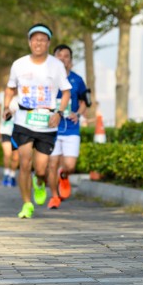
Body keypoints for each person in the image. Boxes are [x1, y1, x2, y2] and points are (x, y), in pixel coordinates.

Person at [4, 23, 71, 219]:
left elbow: (66, 92)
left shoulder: (56, 65)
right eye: (35, 39)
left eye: (42, 39)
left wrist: (59, 112)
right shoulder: (19, 64)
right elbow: (10, 88)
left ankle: (39, 182)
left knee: (41, 169)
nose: (38, 43)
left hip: (46, 123)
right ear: (29, 42)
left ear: (48, 43)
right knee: (24, 163)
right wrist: (7, 106)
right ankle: (27, 204)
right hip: (23, 120)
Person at [47, 44, 88, 209]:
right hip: (51, 128)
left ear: (70, 60)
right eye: (59, 55)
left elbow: (85, 102)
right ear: (53, 58)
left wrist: (77, 114)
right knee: (52, 164)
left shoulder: (77, 80)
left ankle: (63, 175)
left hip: (71, 128)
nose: (62, 59)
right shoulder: (47, 78)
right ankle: (54, 197)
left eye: (66, 56)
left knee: (69, 166)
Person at [0, 86, 19, 186]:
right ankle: (6, 174)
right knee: (7, 154)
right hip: (5, 129)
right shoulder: (2, 95)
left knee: (16, 157)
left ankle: (12, 175)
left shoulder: (22, 97)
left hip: (17, 131)